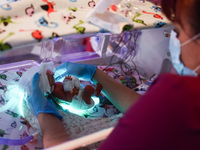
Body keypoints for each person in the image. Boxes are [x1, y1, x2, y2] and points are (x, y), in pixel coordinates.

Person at [27, 0, 200, 149]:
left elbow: (161, 114)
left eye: (177, 32)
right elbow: (149, 114)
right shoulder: (182, 98)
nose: (175, 42)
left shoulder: (180, 95)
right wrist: (95, 73)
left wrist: (48, 120)